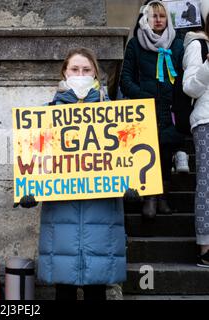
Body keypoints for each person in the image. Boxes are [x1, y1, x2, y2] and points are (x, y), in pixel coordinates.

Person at [14, 48, 127, 300]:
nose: (80, 74)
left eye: (86, 70)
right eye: (75, 69)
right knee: (63, 291)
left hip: (102, 220)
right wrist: (28, 191)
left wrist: (135, 184)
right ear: (64, 72)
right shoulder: (44, 115)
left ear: (96, 74)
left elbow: (128, 162)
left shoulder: (117, 117)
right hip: (61, 222)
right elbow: (34, 163)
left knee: (97, 291)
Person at [120, 0, 184, 219]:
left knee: (166, 152)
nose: (158, 20)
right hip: (143, 110)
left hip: (169, 110)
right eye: (154, 16)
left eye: (162, 16)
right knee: (147, 154)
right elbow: (125, 80)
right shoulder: (135, 44)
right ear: (146, 19)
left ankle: (162, 197)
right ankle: (149, 197)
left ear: (168, 19)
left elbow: (183, 78)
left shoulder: (177, 44)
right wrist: (144, 97)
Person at [182, 2, 209, 268]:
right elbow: (189, 88)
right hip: (206, 120)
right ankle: (206, 246)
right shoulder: (197, 46)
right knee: (207, 184)